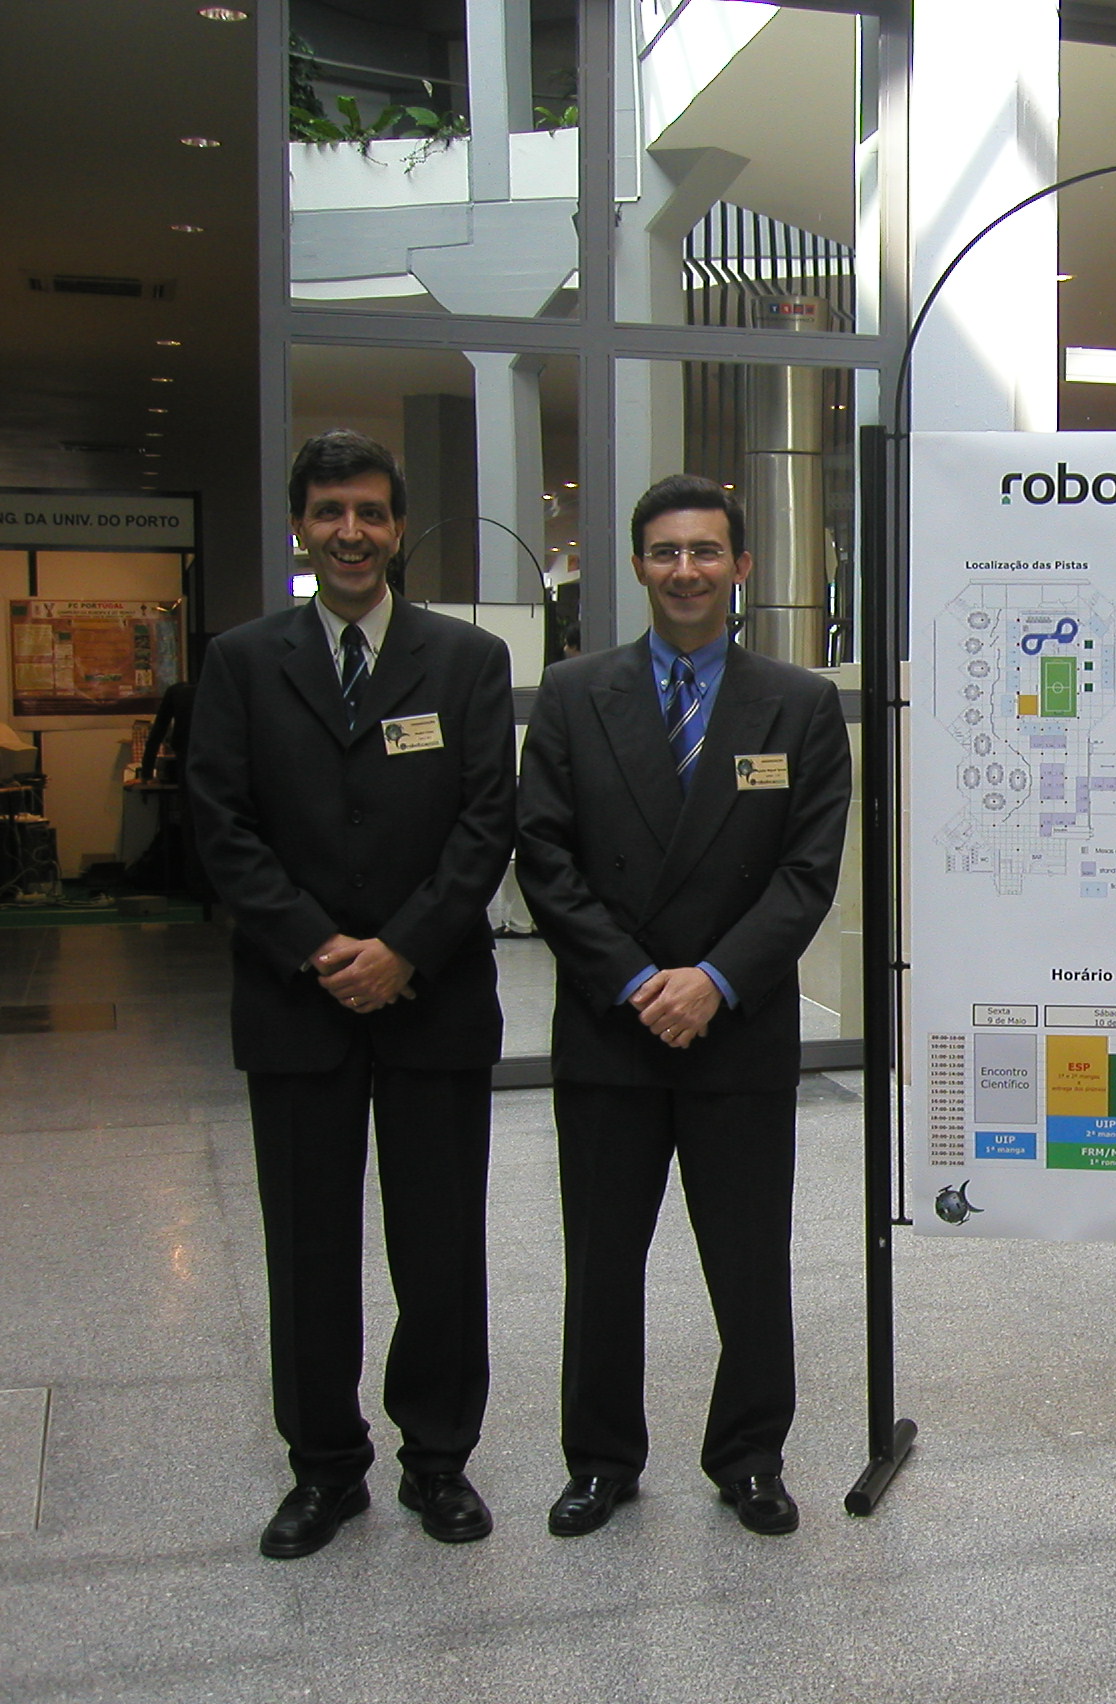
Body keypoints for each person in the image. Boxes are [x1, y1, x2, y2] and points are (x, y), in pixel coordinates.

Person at [187, 430, 516, 1559]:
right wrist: (324, 948)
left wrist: (403, 950)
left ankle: (439, 1459)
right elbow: (220, 826)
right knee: (308, 1251)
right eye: (329, 513)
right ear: (299, 526)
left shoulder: (464, 660)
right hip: (296, 1005)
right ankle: (324, 1469)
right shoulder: (241, 661)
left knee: (440, 1246)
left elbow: (486, 822)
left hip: (434, 1002)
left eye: (370, 513)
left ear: (398, 526)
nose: (350, 533)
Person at [516, 473, 851, 1540]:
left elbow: (806, 875)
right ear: (637, 565)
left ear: (741, 566)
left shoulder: (798, 705)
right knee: (601, 1261)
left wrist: (712, 980)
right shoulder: (574, 695)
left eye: (706, 551)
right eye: (665, 552)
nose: (686, 570)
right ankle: (600, 1459)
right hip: (611, 1026)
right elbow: (545, 857)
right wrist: (635, 980)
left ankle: (750, 1457)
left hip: (735, 1027)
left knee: (749, 1261)